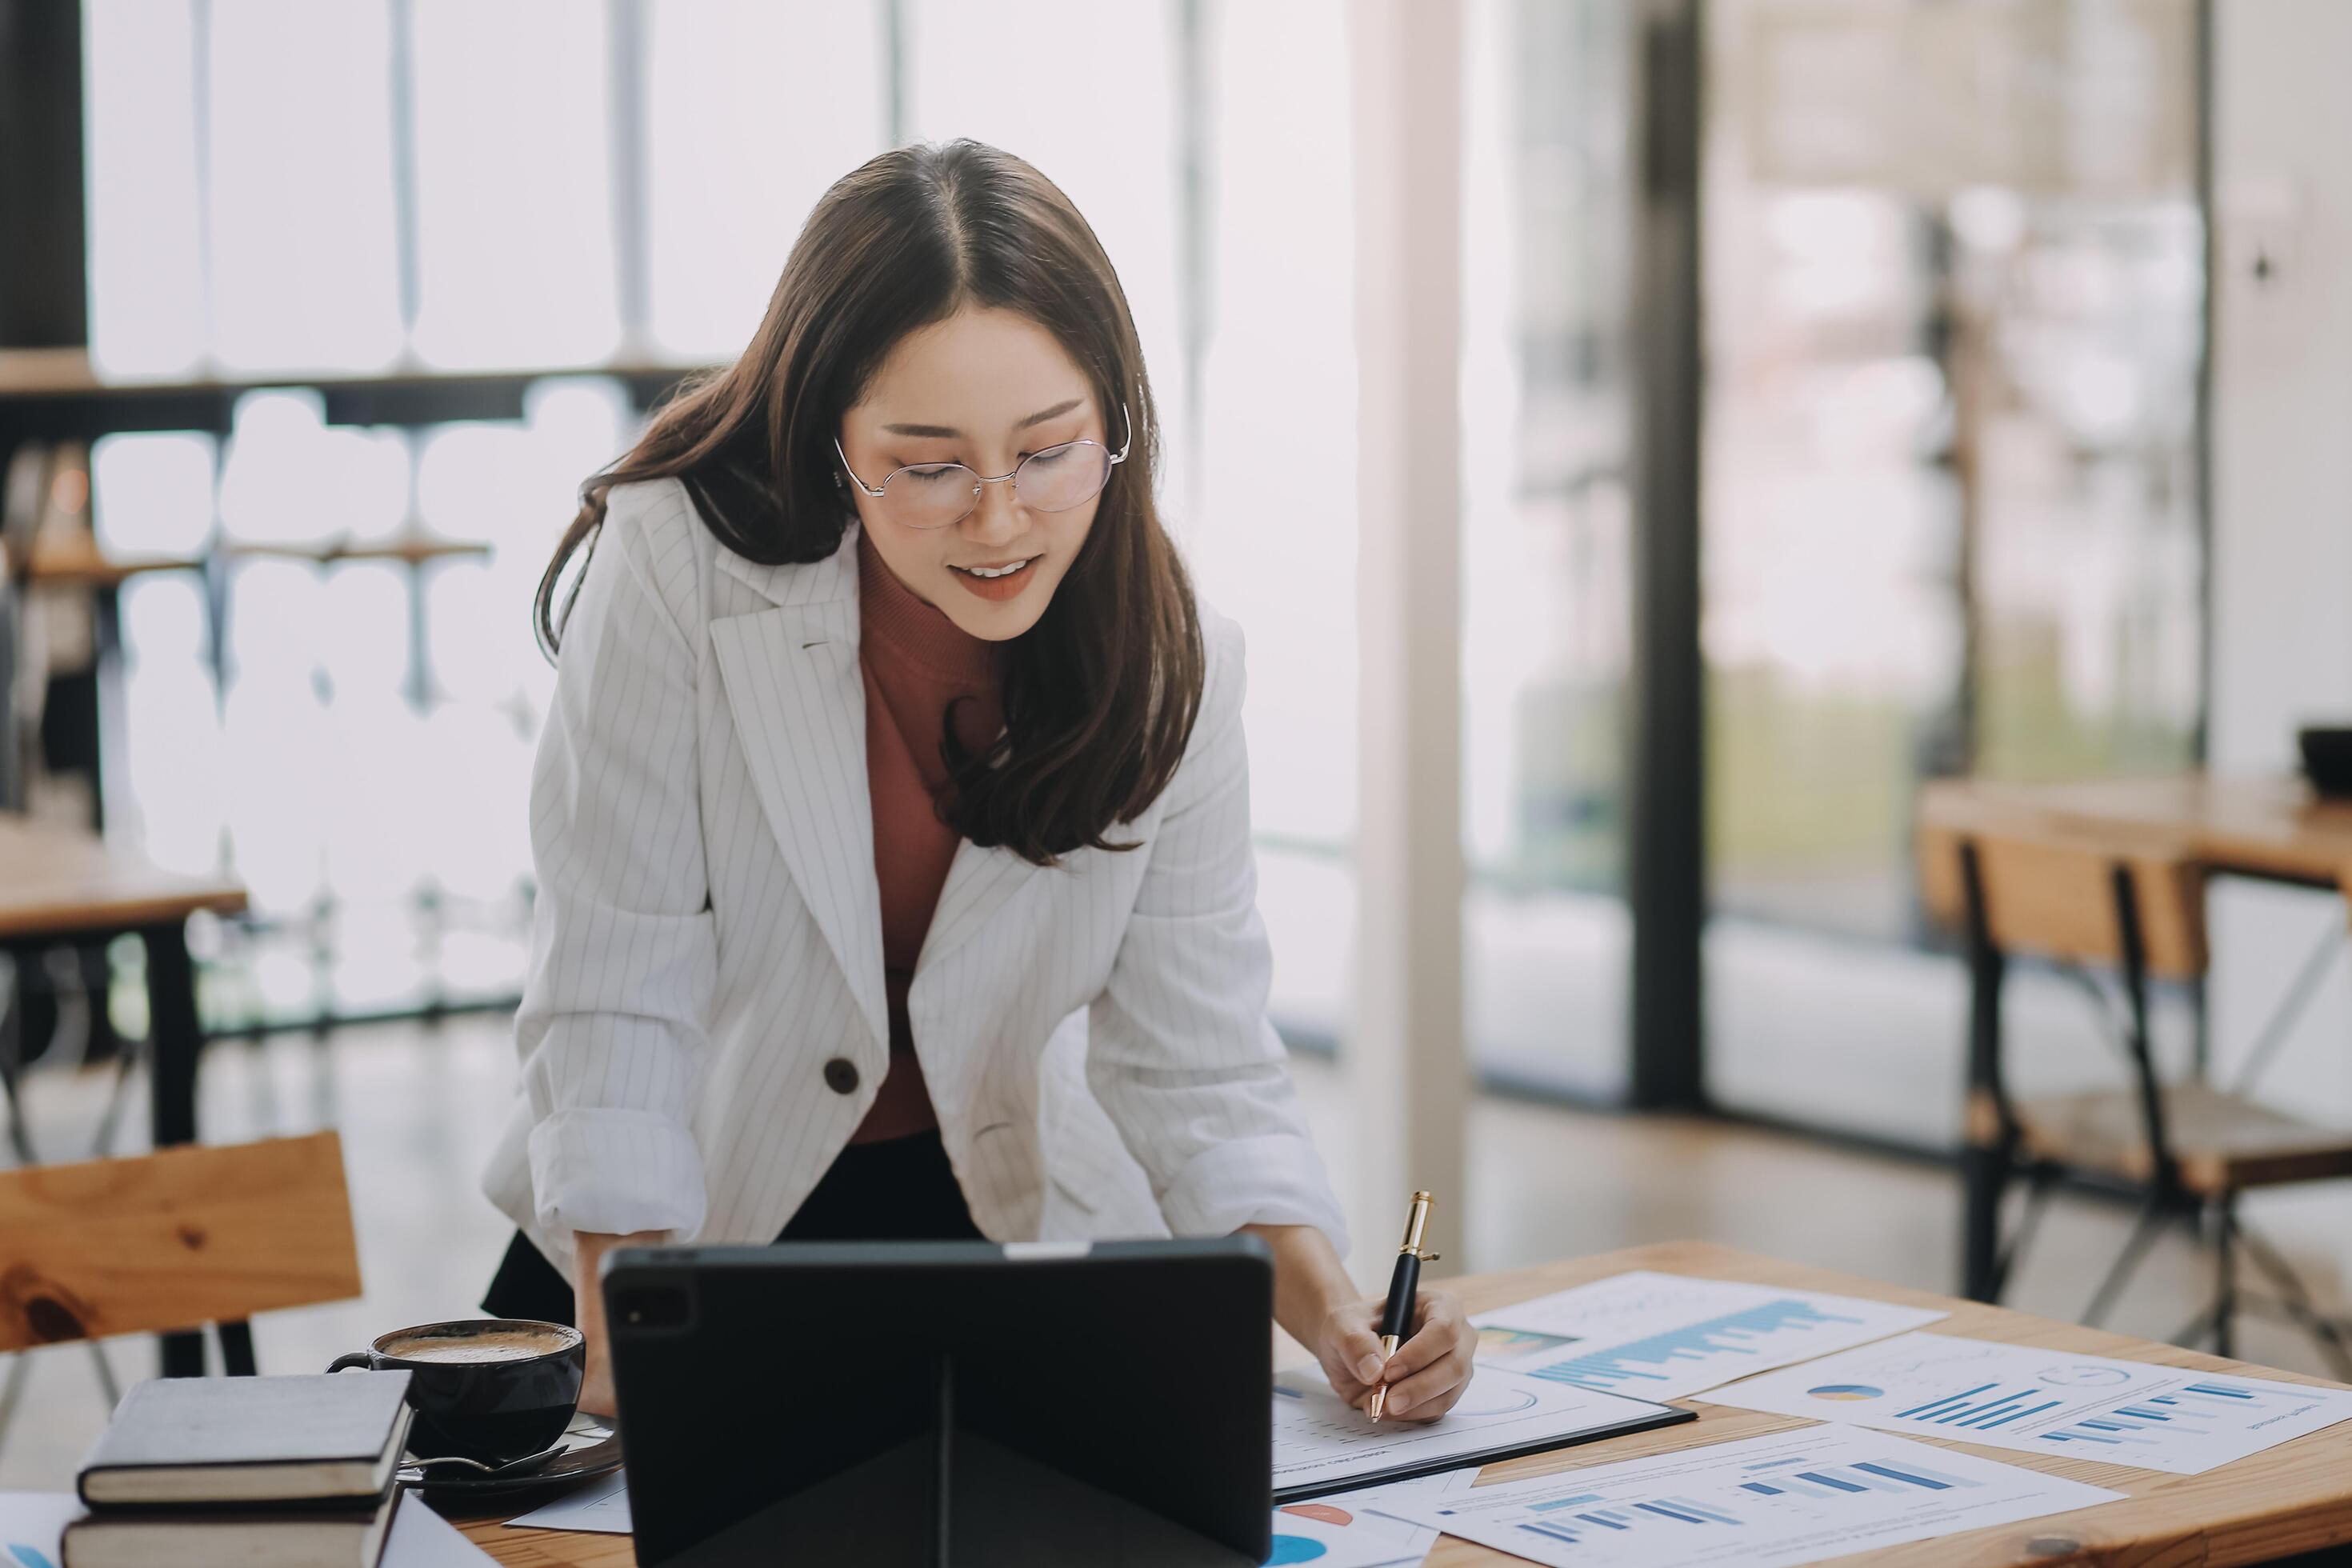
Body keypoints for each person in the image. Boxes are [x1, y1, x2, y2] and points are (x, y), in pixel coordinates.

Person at [478, 139, 1473, 1422]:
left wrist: (1342, 1315)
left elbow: (1197, 1066)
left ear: (1116, 424)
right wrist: (631, 1324)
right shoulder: (677, 563)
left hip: (982, 1242)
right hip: (662, 1236)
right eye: (930, 464)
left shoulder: (1174, 658)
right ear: (829, 433)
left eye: (1051, 451)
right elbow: (617, 993)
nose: (1000, 520)